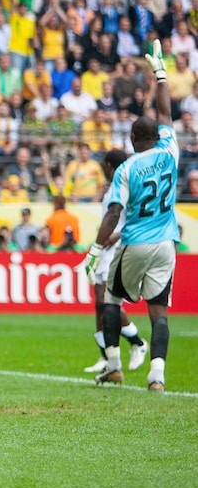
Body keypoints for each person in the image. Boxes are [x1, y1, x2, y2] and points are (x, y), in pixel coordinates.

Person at [84, 40, 181, 392]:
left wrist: (95, 250)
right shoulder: (170, 149)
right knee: (159, 312)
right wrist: (161, 76)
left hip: (136, 242)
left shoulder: (127, 168)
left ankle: (112, 365)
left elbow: (114, 212)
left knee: (110, 298)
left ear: (133, 137)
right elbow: (166, 114)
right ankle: (157, 375)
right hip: (167, 243)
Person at [83, 149, 149, 374]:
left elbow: (134, 219)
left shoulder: (126, 187)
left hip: (116, 250)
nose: (101, 167)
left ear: (111, 166)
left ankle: (137, 342)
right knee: (98, 304)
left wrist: (115, 236)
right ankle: (105, 357)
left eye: (104, 163)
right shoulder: (111, 187)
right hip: (105, 251)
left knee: (106, 301)